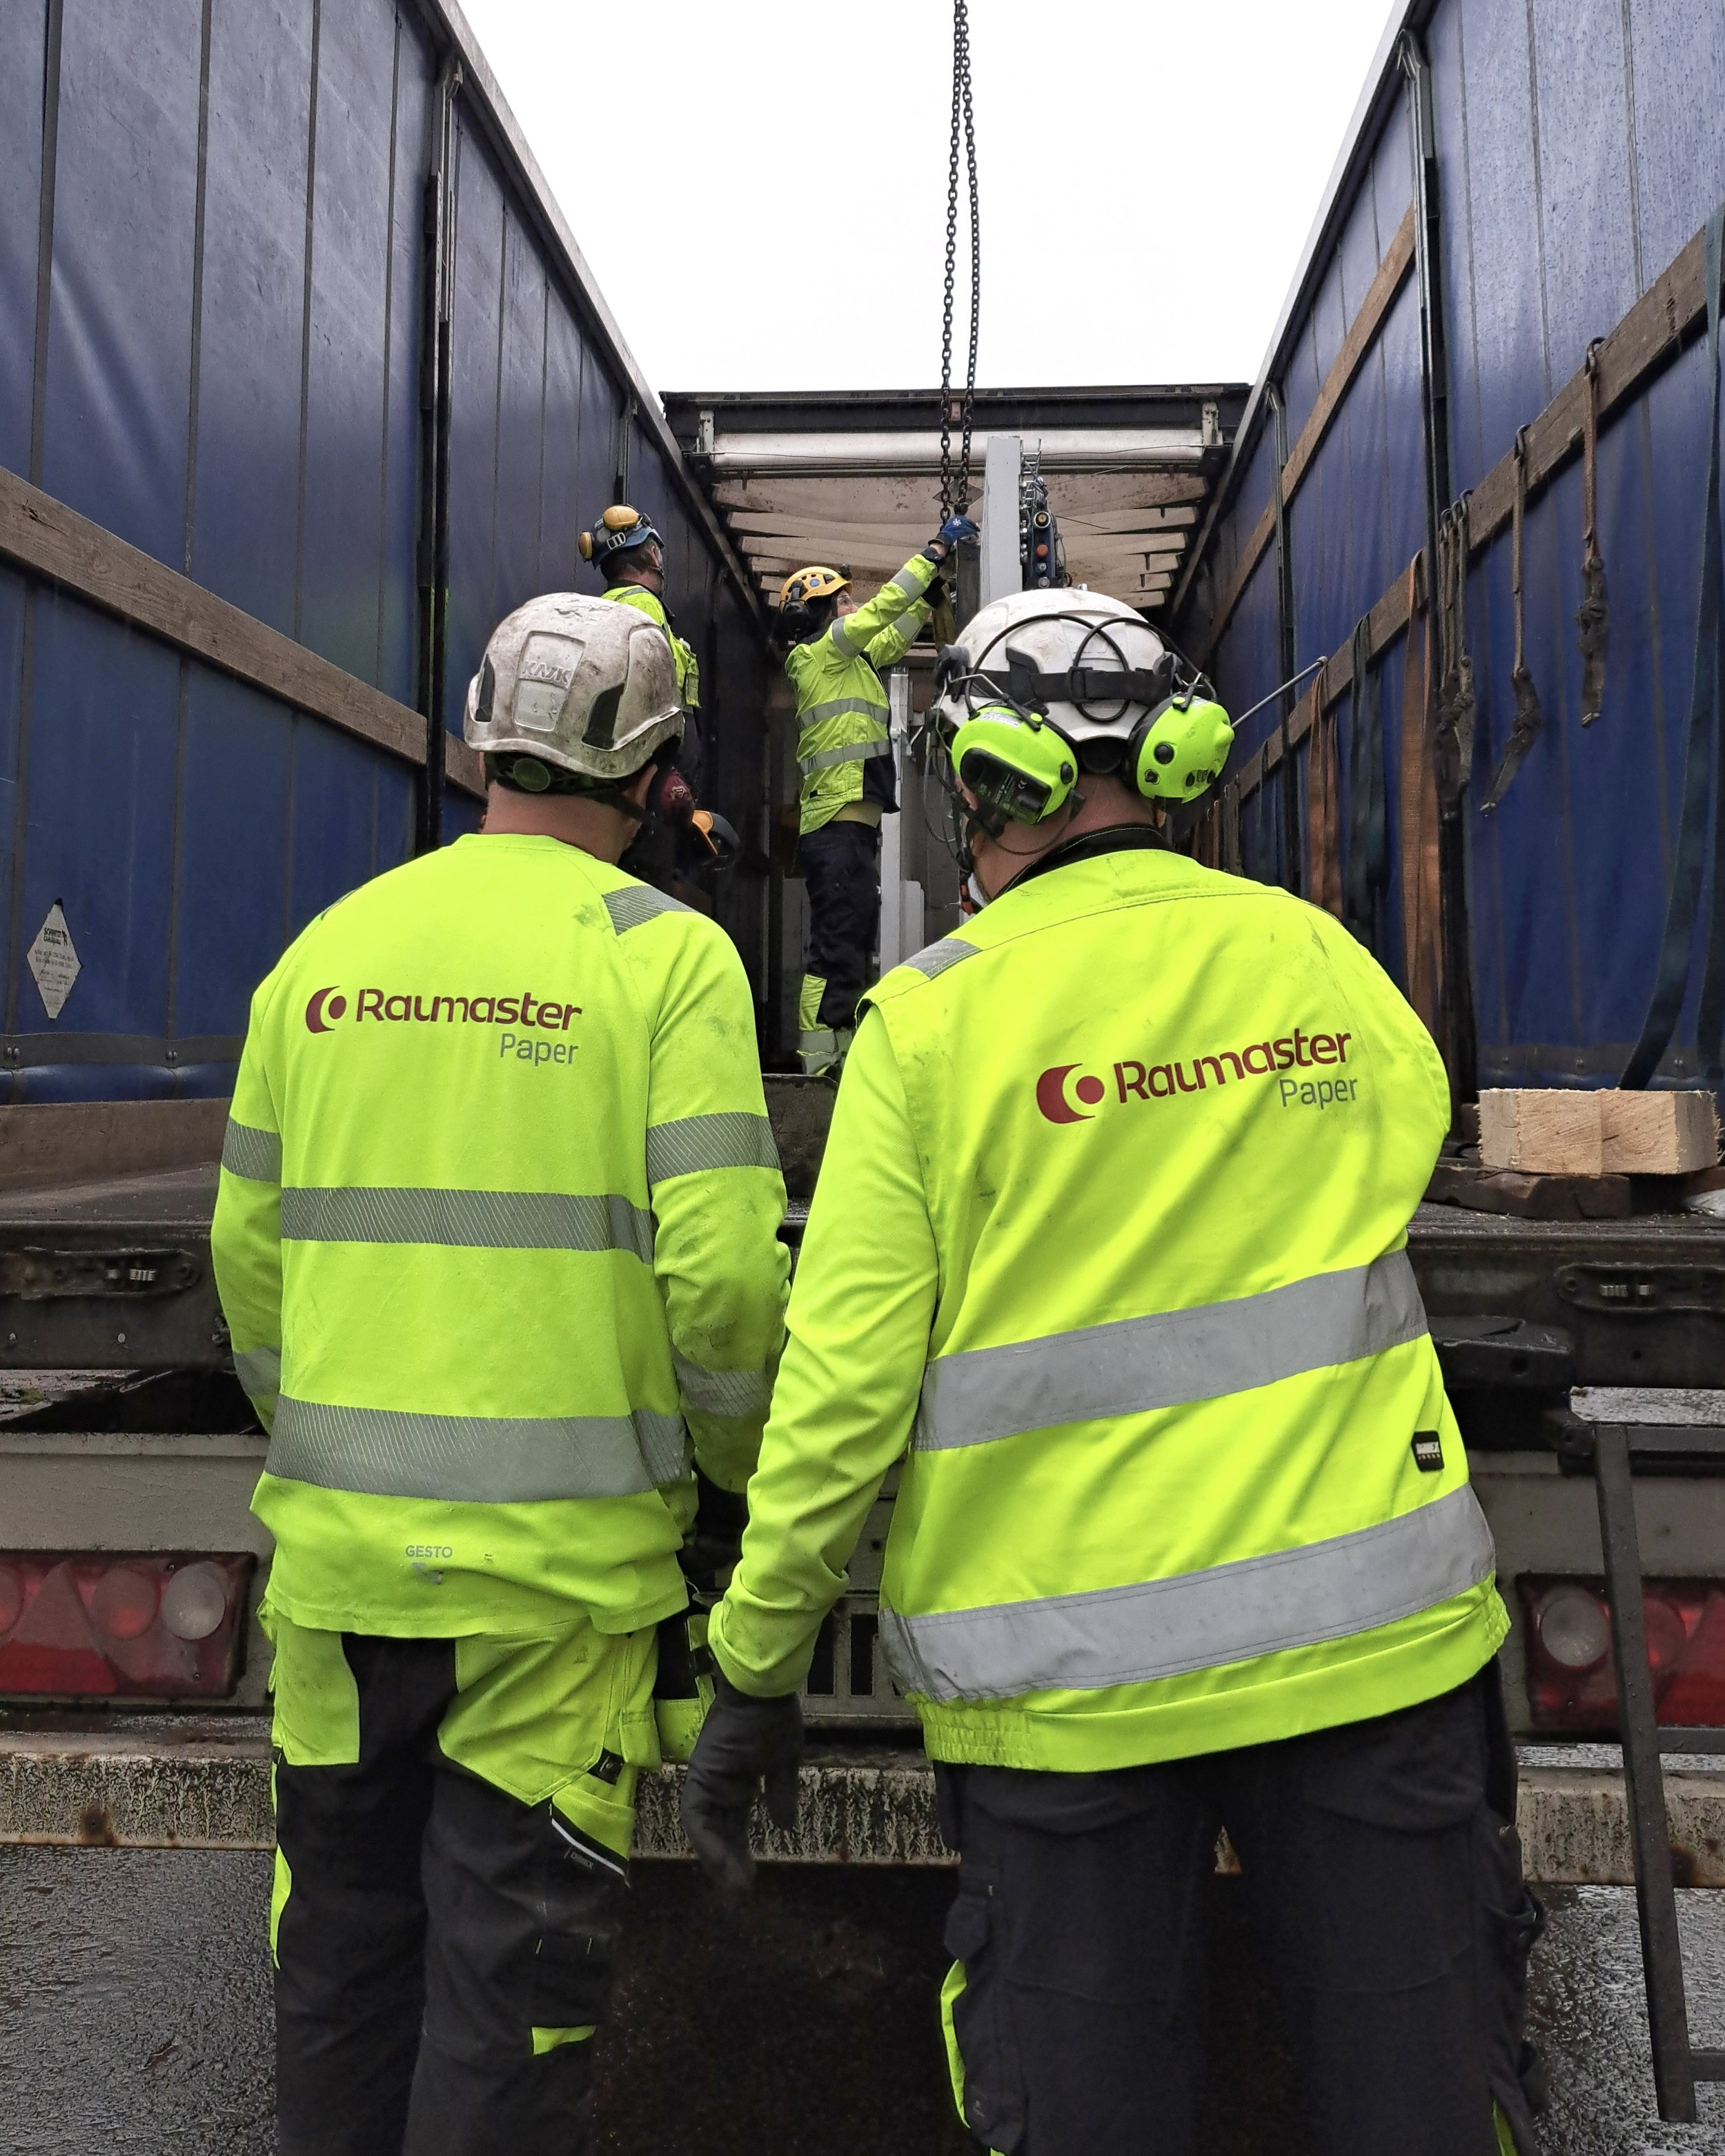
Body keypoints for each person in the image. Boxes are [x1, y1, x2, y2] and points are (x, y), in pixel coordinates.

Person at [682, 586, 1546, 2156]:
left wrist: (755, 1663)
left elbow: (843, 1394)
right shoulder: (1310, 952)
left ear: (979, 787)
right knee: (1420, 2103)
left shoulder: (927, 1026)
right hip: (1372, 1651)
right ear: (1176, 762)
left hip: (1066, 1696)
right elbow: (1408, 1132)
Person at [212, 591, 787, 2156]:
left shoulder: (329, 948)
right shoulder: (667, 960)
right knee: (504, 2002)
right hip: (552, 1601)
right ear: (656, 773)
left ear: (479, 740)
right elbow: (725, 1285)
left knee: (338, 1970)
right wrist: (739, 1482)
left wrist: (327, 1446)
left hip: (340, 1580)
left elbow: (249, 1262)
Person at [779, 512, 978, 1074]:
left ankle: (839, 1051)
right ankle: (817, 1060)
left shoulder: (852, 662)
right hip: (836, 823)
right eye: (842, 602)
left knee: (853, 938)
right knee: (835, 942)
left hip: (852, 824)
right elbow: (882, 610)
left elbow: (892, 631)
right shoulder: (819, 653)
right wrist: (932, 554)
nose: (852, 607)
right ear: (818, 613)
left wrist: (928, 601)